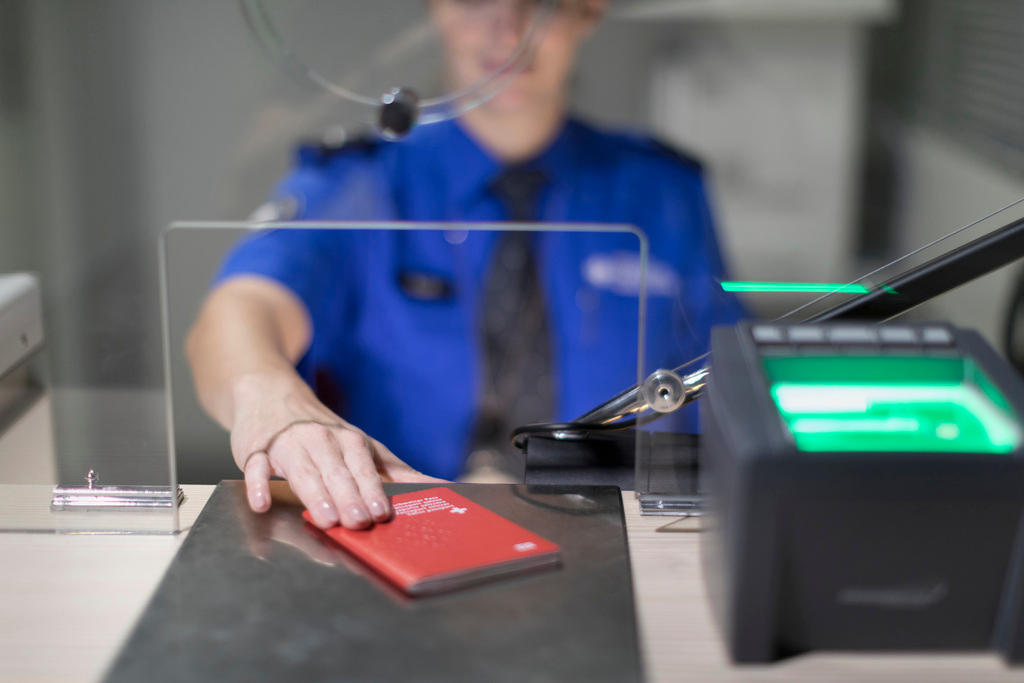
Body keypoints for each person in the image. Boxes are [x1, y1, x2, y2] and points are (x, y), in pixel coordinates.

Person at [187, 0, 743, 531]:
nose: (507, 28)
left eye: (539, 2)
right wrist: (274, 401)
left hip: (628, 542)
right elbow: (243, 306)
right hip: (401, 534)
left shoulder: (661, 190)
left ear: (586, 10)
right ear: (438, 9)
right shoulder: (360, 182)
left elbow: (732, 381)